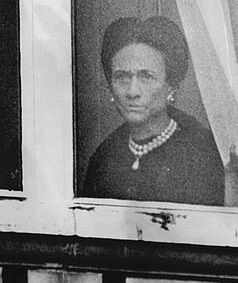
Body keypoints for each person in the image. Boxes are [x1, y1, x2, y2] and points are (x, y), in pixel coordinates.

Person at [81, 16, 225, 206]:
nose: (132, 91)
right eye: (121, 77)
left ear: (171, 86)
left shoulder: (203, 154)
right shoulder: (103, 159)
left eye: (146, 77)